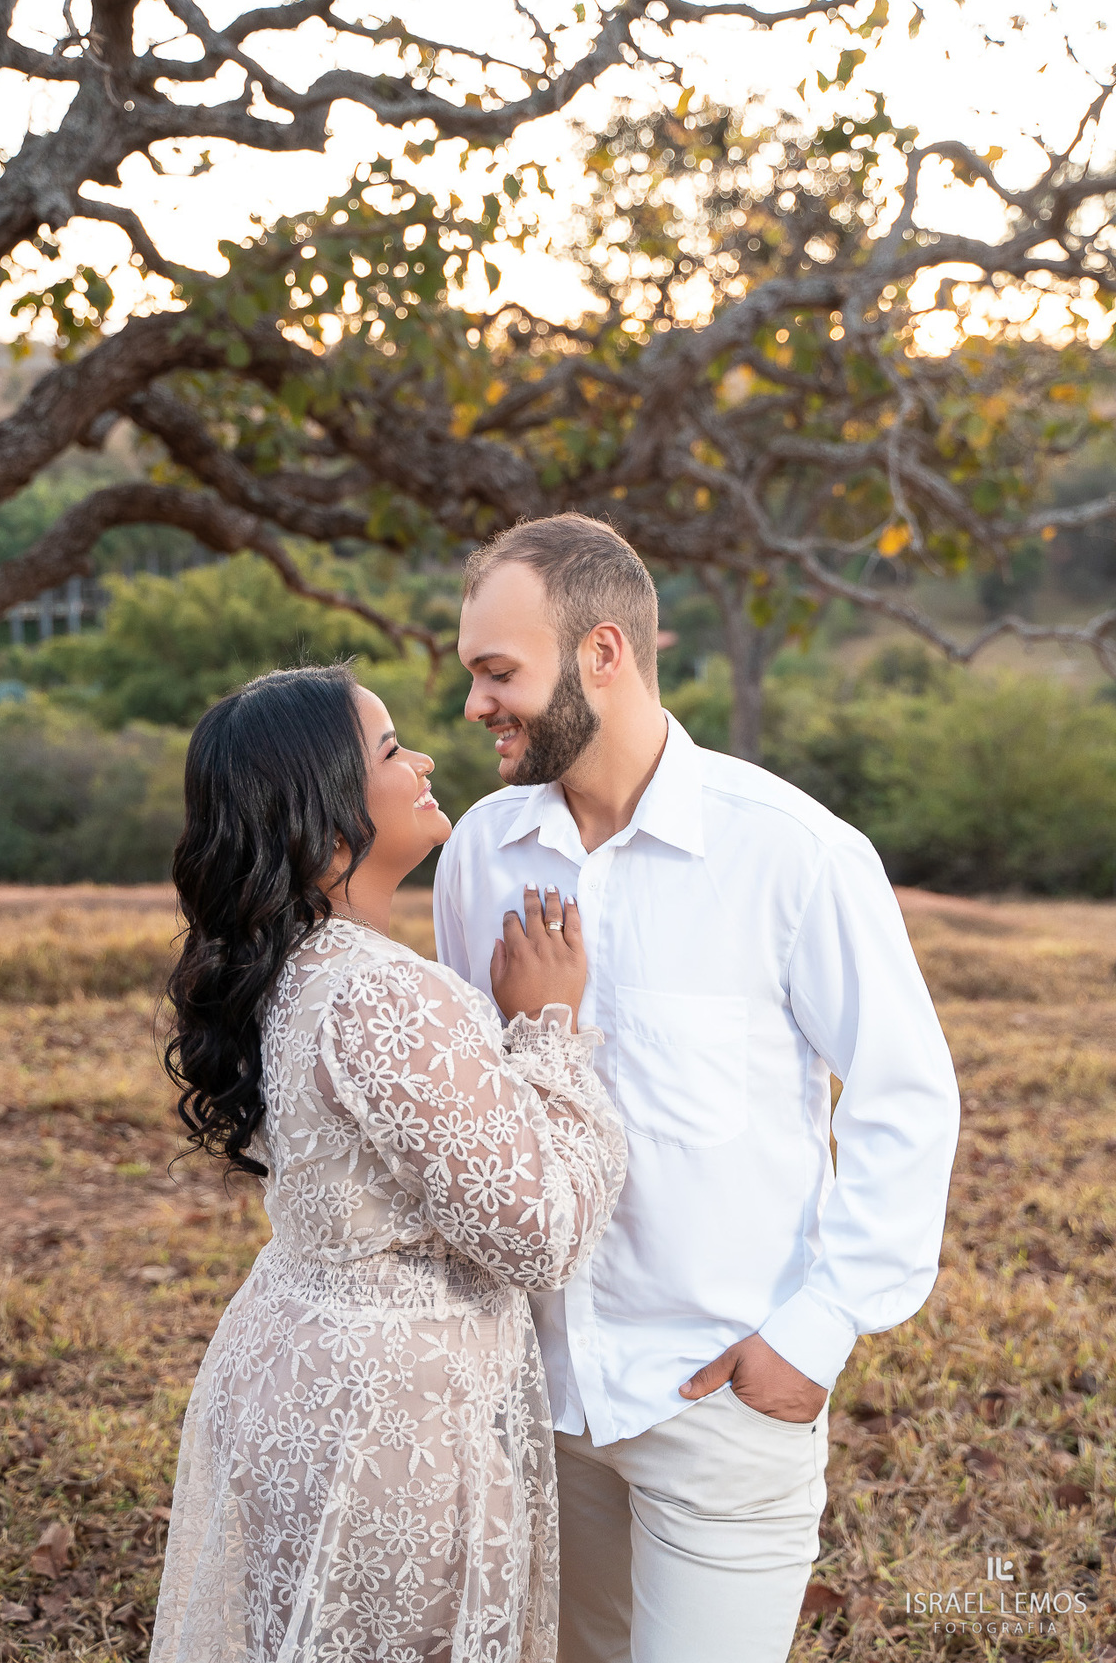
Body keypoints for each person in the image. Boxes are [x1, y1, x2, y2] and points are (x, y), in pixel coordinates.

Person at [433, 515, 961, 1663]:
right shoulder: (481, 852)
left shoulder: (793, 853)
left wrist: (816, 1334)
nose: (475, 705)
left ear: (604, 653)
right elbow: (478, 1114)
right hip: (540, 1397)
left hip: (721, 1399)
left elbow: (905, 1095)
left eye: (498, 673)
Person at [150, 663, 627, 1663]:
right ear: (324, 814)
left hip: (294, 1377)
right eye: (388, 749)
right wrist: (547, 1029)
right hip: (386, 1423)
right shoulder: (388, 994)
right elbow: (540, 1230)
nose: (424, 759)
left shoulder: (290, 969)